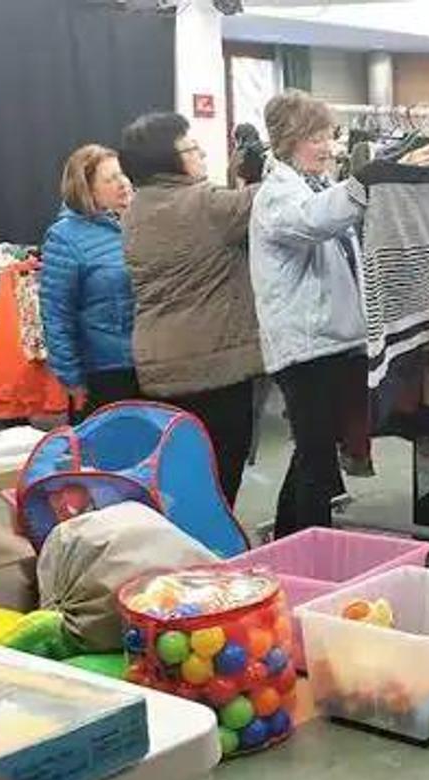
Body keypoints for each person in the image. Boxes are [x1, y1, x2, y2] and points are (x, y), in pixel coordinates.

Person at [249, 90, 429, 537]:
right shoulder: (278, 195)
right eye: (314, 137)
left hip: (333, 343)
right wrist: (379, 176)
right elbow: (313, 220)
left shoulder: (316, 185)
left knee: (311, 456)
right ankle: (311, 555)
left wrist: (396, 171)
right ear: (287, 141)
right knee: (317, 462)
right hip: (306, 349)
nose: (327, 146)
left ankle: (288, 541)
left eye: (327, 136)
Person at [119, 112, 263, 506]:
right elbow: (267, 201)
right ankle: (209, 560)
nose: (200, 154)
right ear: (167, 160)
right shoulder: (206, 203)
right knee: (220, 479)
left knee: (176, 476)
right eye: (191, 148)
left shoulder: (134, 211)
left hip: (157, 365)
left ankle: (178, 554)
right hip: (213, 366)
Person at [40, 144, 137, 414]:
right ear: (87, 189)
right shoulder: (65, 236)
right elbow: (55, 315)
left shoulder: (140, 223)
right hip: (105, 372)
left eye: (123, 174)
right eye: (110, 179)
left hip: (150, 364)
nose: (123, 184)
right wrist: (71, 378)